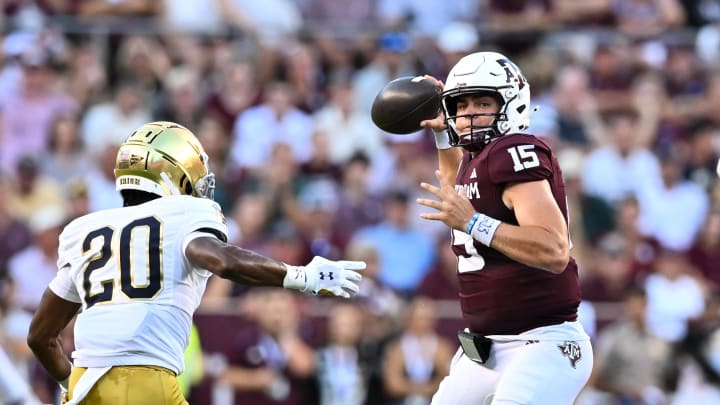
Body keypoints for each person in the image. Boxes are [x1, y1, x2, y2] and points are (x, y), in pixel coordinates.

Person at [26, 121, 365, 405]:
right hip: (147, 380)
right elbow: (220, 259)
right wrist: (301, 276)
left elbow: (41, 336)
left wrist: (70, 383)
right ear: (174, 173)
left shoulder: (83, 230)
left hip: (86, 383)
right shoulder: (185, 214)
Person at [416, 52, 593, 404]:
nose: (468, 114)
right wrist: (441, 138)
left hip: (542, 343)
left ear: (512, 102)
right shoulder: (477, 158)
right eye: (460, 104)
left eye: (482, 102)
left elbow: (554, 250)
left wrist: (473, 222)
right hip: (483, 350)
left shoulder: (514, 150)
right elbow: (462, 190)